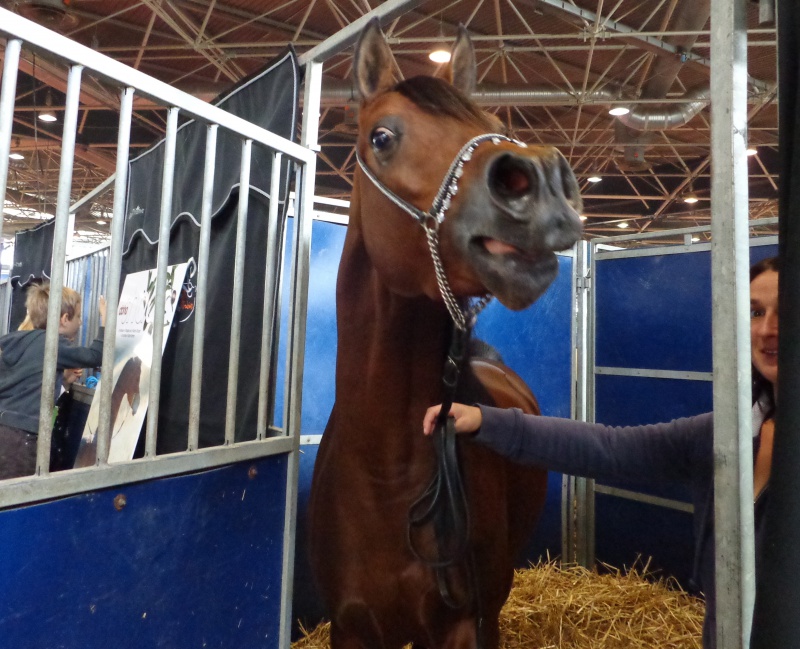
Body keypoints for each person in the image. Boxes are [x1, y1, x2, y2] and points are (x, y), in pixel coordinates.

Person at [423, 256, 780, 649]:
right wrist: (485, 421)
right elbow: (609, 448)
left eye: (786, 311)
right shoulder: (727, 434)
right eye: (755, 311)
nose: (767, 330)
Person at [0, 283, 106, 479]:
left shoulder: (12, 341)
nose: (81, 323)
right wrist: (106, 324)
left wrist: (63, 382)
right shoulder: (53, 343)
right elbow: (96, 355)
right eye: (78, 317)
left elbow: (23, 386)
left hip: (3, 429)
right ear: (65, 319)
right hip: (23, 438)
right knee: (20, 497)